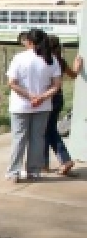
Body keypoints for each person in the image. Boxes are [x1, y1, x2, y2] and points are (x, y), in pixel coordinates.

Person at [5, 28, 62, 182]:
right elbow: (56, 85)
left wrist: (30, 96)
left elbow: (12, 83)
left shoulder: (19, 58)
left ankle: (14, 172)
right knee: (37, 138)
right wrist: (41, 97)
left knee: (19, 138)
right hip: (43, 106)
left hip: (20, 105)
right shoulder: (51, 59)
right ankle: (34, 171)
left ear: (29, 42)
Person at [44, 35, 82, 176]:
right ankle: (45, 163)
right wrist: (77, 68)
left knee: (47, 131)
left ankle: (63, 160)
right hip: (58, 98)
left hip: (48, 99)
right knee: (49, 130)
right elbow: (73, 75)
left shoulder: (46, 61)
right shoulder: (60, 61)